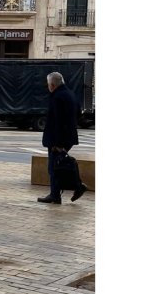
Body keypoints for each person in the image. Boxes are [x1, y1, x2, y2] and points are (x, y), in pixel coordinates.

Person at [38, 71, 88, 204]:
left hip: (58, 139)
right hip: (68, 137)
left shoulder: (57, 97)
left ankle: (60, 193)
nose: (48, 86)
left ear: (52, 85)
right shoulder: (70, 94)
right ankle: (62, 192)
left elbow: (58, 122)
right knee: (59, 166)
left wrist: (58, 143)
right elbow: (78, 114)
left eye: (48, 84)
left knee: (54, 167)